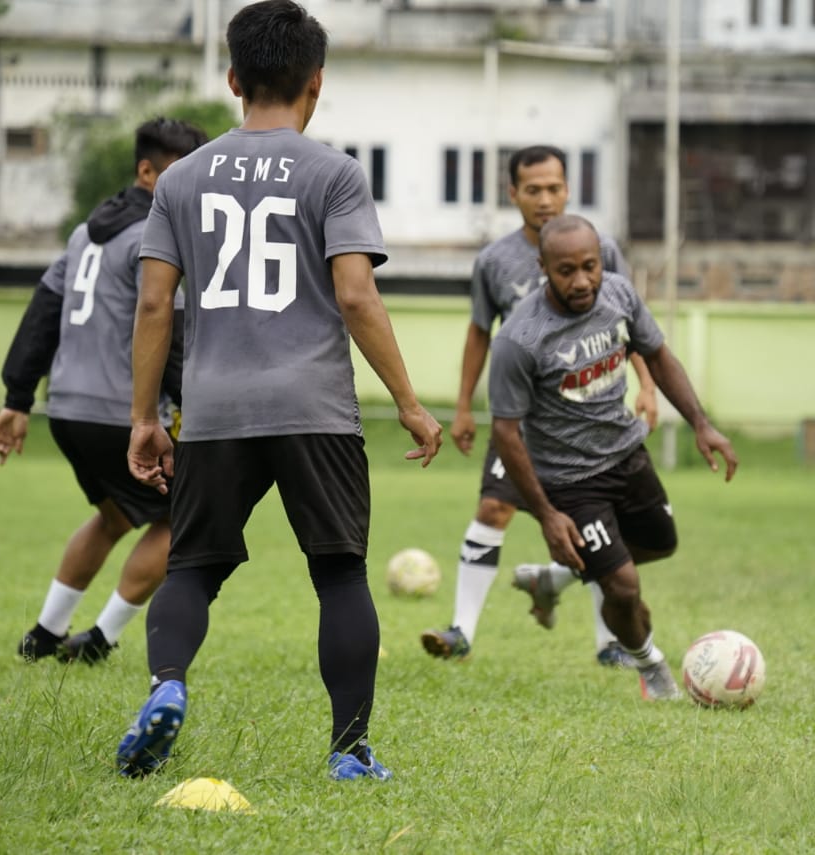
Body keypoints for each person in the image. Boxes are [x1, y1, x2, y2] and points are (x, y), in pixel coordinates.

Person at [116, 0, 442, 782]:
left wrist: (143, 419)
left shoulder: (182, 180)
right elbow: (357, 296)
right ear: (316, 83)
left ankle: (167, 687)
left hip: (217, 407)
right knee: (337, 572)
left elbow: (156, 303)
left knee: (191, 566)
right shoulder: (334, 172)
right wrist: (408, 401)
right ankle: (349, 749)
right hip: (314, 407)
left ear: (233, 78)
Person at [421, 145, 659, 667]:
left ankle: (609, 645)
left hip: (591, 421)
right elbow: (480, 333)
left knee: (605, 527)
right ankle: (461, 629)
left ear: (568, 189)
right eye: (534, 190)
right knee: (492, 506)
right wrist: (463, 407)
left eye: (554, 188)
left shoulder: (603, 249)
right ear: (514, 194)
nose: (545, 199)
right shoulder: (493, 261)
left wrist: (646, 384)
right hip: (523, 422)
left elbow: (631, 326)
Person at [0, 117, 208, 665]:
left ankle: (44, 632)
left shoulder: (85, 233)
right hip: (120, 413)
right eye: (183, 173)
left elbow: (43, 312)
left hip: (67, 409)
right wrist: (200, 407)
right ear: (147, 172)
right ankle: (101, 640)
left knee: (112, 517)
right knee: (183, 521)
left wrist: (18, 400)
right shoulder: (155, 238)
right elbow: (170, 333)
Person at [487, 214, 738, 699]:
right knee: (622, 585)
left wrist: (701, 424)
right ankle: (653, 669)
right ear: (543, 267)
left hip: (627, 454)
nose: (581, 281)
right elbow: (505, 432)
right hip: (571, 479)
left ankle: (552, 580)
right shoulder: (520, 339)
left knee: (662, 544)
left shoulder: (620, 293)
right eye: (566, 271)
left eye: (590, 266)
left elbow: (659, 355)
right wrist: (546, 514)